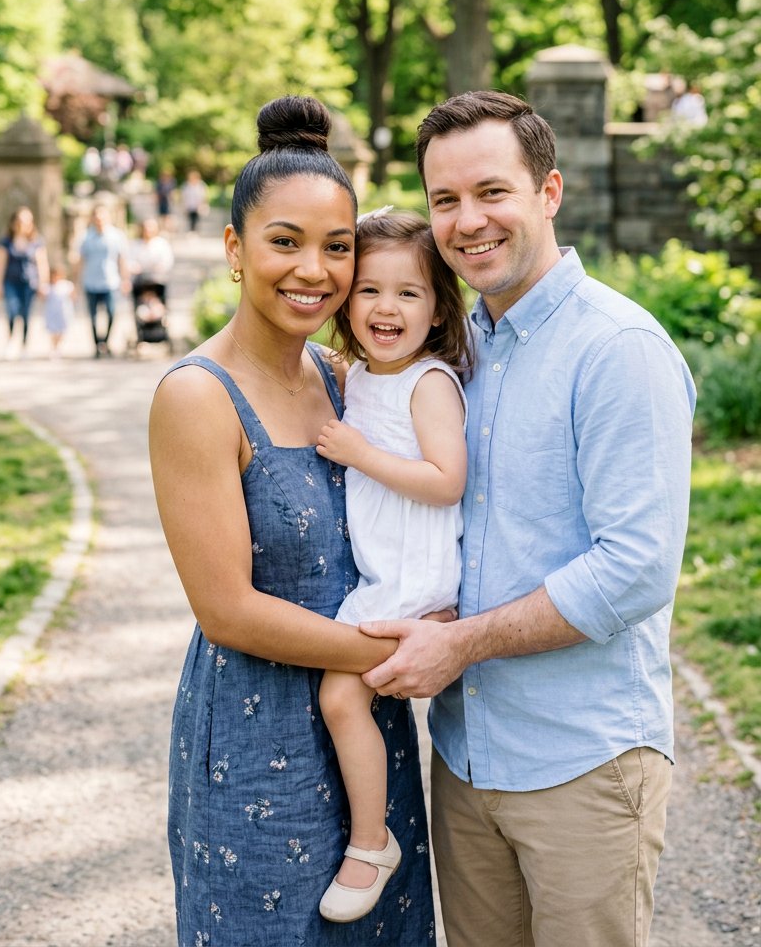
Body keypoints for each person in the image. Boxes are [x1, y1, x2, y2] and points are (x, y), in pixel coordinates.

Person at [359, 90, 696, 947]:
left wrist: (460, 644)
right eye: (444, 199)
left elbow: (635, 569)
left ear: (549, 192)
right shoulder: (456, 350)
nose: (467, 221)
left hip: (583, 763)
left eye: (491, 191)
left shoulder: (618, 350)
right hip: (466, 756)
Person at [148, 96, 436, 946]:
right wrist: (399, 654)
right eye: (285, 241)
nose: (315, 269)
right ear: (234, 248)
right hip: (256, 735)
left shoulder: (344, 377)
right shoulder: (197, 397)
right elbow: (227, 610)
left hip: (368, 733)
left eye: (337, 246)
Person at [314, 209, 470, 923]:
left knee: (341, 697)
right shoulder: (360, 377)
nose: (387, 307)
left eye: (408, 293)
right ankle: (372, 833)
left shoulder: (428, 382)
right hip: (386, 572)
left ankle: (371, 842)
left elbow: (446, 480)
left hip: (411, 576)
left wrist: (361, 454)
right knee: (349, 699)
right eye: (370, 290)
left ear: (437, 309)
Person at [0, 205, 49, 358]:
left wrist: (43, 284)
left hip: (29, 283)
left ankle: (24, 345)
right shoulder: (6, 242)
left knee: (26, 314)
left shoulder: (36, 241)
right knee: (12, 311)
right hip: (11, 282)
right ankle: (10, 340)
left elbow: (42, 264)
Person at [74, 202, 131, 357]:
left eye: (102, 215)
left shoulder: (117, 236)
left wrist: (125, 279)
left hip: (110, 282)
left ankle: (105, 342)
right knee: (92, 317)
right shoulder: (85, 237)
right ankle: (97, 345)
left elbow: (122, 259)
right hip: (91, 282)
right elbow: (80, 261)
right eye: (96, 215)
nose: (99, 218)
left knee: (111, 313)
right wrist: (76, 283)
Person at [43, 264, 75, 358]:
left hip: (63, 313)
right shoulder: (49, 287)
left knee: (62, 330)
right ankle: (54, 347)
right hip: (52, 313)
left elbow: (73, 296)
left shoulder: (66, 285)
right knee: (53, 331)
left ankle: (58, 347)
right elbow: (42, 297)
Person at [180, 168, 209, 232]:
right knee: (190, 218)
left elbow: (204, 195)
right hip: (190, 205)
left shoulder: (201, 185)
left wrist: (204, 204)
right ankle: (192, 230)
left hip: (198, 205)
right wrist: (183, 205)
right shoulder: (186, 185)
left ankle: (195, 230)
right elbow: (184, 196)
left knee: (196, 218)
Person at [155, 166, 177, 231]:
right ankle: (162, 227)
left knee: (168, 214)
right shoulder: (159, 182)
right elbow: (157, 191)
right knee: (161, 215)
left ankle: (168, 227)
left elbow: (172, 191)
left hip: (168, 200)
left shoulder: (171, 182)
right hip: (161, 200)